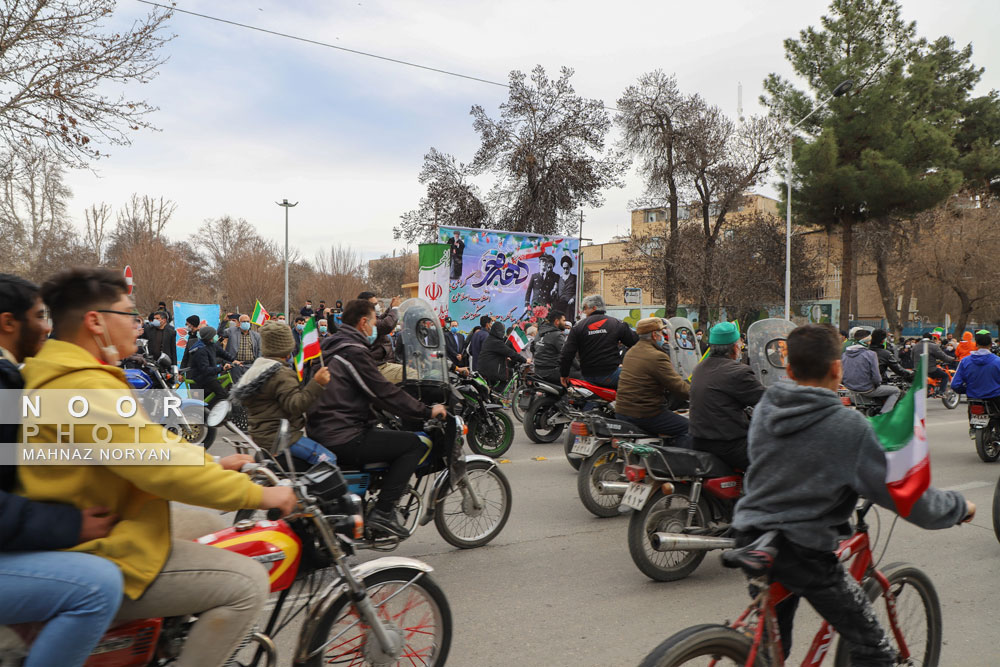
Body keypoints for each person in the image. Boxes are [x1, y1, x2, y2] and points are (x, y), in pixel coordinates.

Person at [18, 267, 296, 667]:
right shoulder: (80, 387)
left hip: (110, 525)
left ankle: (164, 642)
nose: (139, 324)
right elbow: (160, 466)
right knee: (248, 583)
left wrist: (217, 463)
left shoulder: (73, 373)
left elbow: (155, 443)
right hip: (101, 551)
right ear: (95, 321)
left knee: (210, 526)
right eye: (129, 314)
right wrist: (262, 493)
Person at [732, 323, 973, 666]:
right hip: (802, 548)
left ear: (788, 368)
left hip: (752, 534)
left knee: (771, 649)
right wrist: (959, 507)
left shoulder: (768, 404)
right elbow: (906, 495)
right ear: (836, 368)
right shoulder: (846, 425)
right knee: (873, 648)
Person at [0, 273, 125, 667]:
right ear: (8, 323)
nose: (47, 327)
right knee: (98, 587)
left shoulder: (19, 375)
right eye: (39, 316)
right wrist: (66, 524)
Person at [307, 299, 447, 537]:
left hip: (322, 429)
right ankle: (383, 512)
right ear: (363, 322)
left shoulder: (330, 345)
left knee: (387, 436)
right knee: (413, 444)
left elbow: (356, 392)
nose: (375, 327)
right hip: (344, 434)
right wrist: (425, 410)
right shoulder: (354, 351)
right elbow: (382, 390)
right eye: (373, 321)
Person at [233, 322, 336, 465]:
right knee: (329, 460)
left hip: (260, 437)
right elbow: (295, 405)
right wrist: (317, 383)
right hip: (282, 438)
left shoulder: (256, 370)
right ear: (287, 347)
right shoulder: (281, 373)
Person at [688, 322, 764, 470]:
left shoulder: (699, 368)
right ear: (735, 347)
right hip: (728, 445)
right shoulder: (738, 372)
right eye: (739, 344)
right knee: (775, 456)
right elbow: (765, 399)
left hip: (699, 441)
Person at [614, 317, 690, 438]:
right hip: (645, 414)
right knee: (688, 427)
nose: (662, 336)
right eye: (661, 332)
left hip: (622, 411)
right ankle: (677, 457)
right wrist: (697, 395)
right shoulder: (657, 356)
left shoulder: (631, 351)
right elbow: (677, 386)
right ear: (655, 335)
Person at [559, 294, 638, 389]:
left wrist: (564, 374)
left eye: (584, 308)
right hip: (611, 373)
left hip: (587, 375)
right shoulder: (616, 323)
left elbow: (567, 353)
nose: (583, 311)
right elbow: (635, 342)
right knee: (641, 380)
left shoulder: (578, 327)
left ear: (594, 308)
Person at [842, 330, 900, 414]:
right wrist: (877, 384)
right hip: (867, 389)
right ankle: (883, 415)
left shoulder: (844, 355)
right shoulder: (871, 354)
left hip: (850, 389)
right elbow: (876, 378)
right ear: (867, 341)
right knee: (896, 391)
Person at [357, 291, 403, 383]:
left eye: (377, 303)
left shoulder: (371, 317)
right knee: (411, 375)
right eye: (374, 304)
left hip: (386, 362)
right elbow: (386, 325)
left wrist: (390, 307)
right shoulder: (365, 320)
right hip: (377, 366)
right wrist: (395, 308)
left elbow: (381, 319)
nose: (377, 306)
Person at [951, 331, 1000, 403]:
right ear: (990, 345)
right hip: (995, 398)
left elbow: (955, 385)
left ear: (976, 344)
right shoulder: (997, 361)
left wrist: (968, 390)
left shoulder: (965, 361)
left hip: (973, 399)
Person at [187, 326, 232, 405]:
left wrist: (234, 360)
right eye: (215, 335)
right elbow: (205, 369)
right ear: (210, 337)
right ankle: (210, 414)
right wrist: (221, 368)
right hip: (204, 378)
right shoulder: (201, 350)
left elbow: (221, 354)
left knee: (212, 397)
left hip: (209, 376)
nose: (216, 336)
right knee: (222, 395)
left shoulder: (210, 345)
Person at [477, 321, 526, 390]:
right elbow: (510, 352)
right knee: (509, 373)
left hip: (484, 367)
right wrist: (525, 360)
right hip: (490, 369)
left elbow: (499, 352)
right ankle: (497, 394)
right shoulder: (496, 342)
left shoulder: (490, 338)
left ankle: (493, 395)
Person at [531, 310, 577, 384]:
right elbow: (567, 354)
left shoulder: (540, 332)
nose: (565, 323)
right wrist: (578, 367)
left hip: (537, 370)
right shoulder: (557, 335)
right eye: (563, 320)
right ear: (557, 321)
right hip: (551, 372)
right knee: (581, 376)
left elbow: (532, 348)